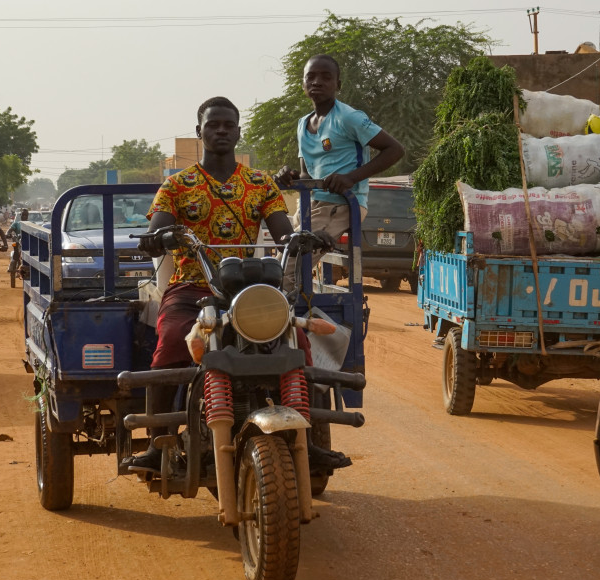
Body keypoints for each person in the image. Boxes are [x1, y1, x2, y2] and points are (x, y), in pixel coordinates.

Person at [126, 96, 299, 473]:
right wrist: (158, 237)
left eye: (228, 125)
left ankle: (306, 439)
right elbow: (157, 229)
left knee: (296, 343)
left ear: (238, 132)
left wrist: (300, 240)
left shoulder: (260, 183)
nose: (221, 130)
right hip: (191, 287)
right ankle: (158, 444)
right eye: (213, 125)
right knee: (170, 342)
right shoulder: (177, 184)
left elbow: (283, 232)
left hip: (247, 290)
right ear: (199, 131)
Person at [275, 54, 404, 276]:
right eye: (311, 76)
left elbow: (395, 150)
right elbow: (308, 175)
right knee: (284, 258)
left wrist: (351, 177)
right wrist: (290, 176)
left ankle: (275, 308)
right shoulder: (302, 124)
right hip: (312, 204)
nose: (317, 82)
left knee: (286, 268)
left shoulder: (348, 117)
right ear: (303, 83)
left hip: (342, 205)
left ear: (338, 85)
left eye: (326, 77)